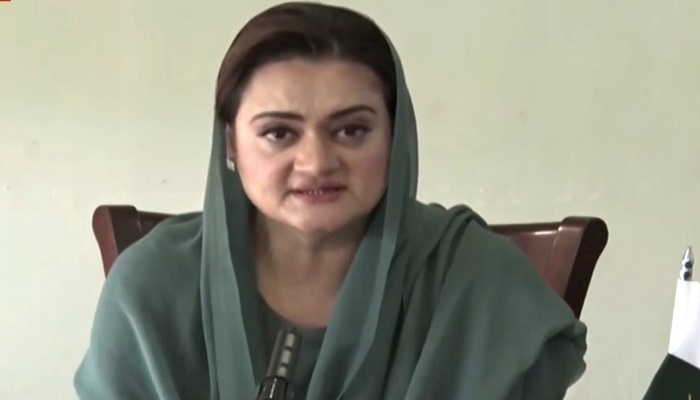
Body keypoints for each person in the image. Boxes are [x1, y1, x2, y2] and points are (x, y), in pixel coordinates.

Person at [74, 2, 588, 399]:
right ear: (231, 144)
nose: (317, 162)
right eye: (279, 133)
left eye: (351, 130)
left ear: (396, 136)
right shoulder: (152, 287)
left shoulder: (476, 277)